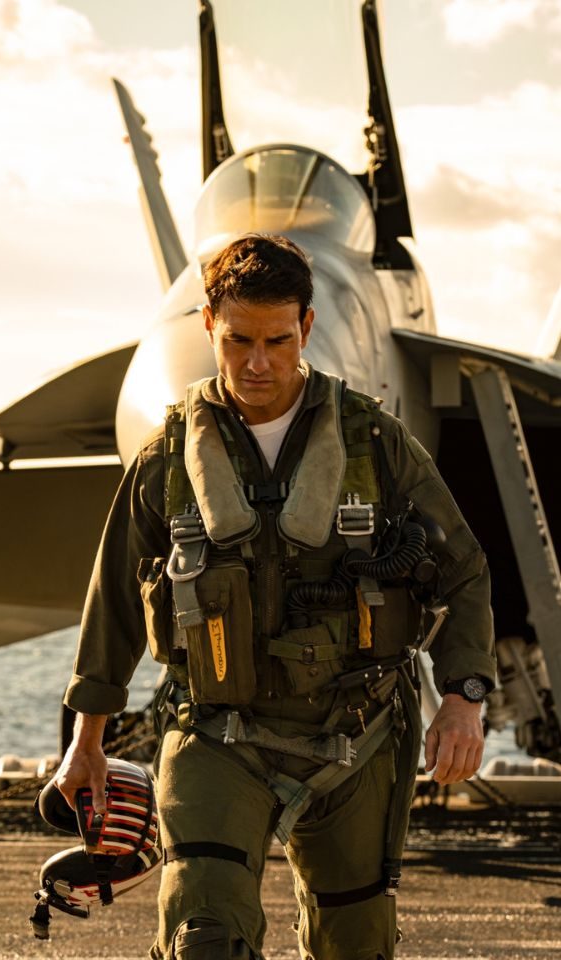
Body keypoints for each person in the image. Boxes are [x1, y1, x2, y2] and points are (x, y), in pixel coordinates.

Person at [55, 233, 496, 960]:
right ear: (207, 326)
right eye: (237, 341)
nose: (257, 363)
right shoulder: (168, 456)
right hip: (215, 736)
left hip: (355, 736)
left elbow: (465, 570)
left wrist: (464, 695)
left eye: (277, 340)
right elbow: (112, 602)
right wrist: (86, 744)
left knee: (354, 944)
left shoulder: (376, 444)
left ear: (307, 330)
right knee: (204, 939)